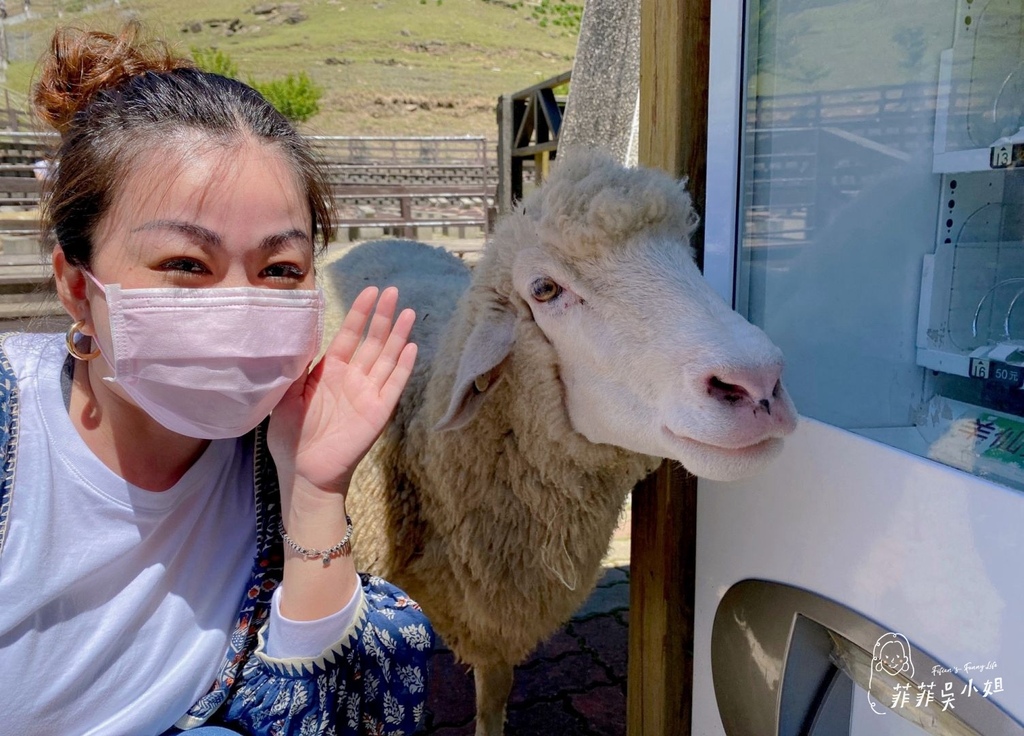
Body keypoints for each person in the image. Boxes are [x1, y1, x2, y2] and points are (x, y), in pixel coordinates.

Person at [0, 22, 432, 736]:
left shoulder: (267, 469)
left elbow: (324, 716)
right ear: (77, 287)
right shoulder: (15, 438)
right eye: (185, 265)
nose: (240, 307)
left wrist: (315, 491)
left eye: (280, 270)